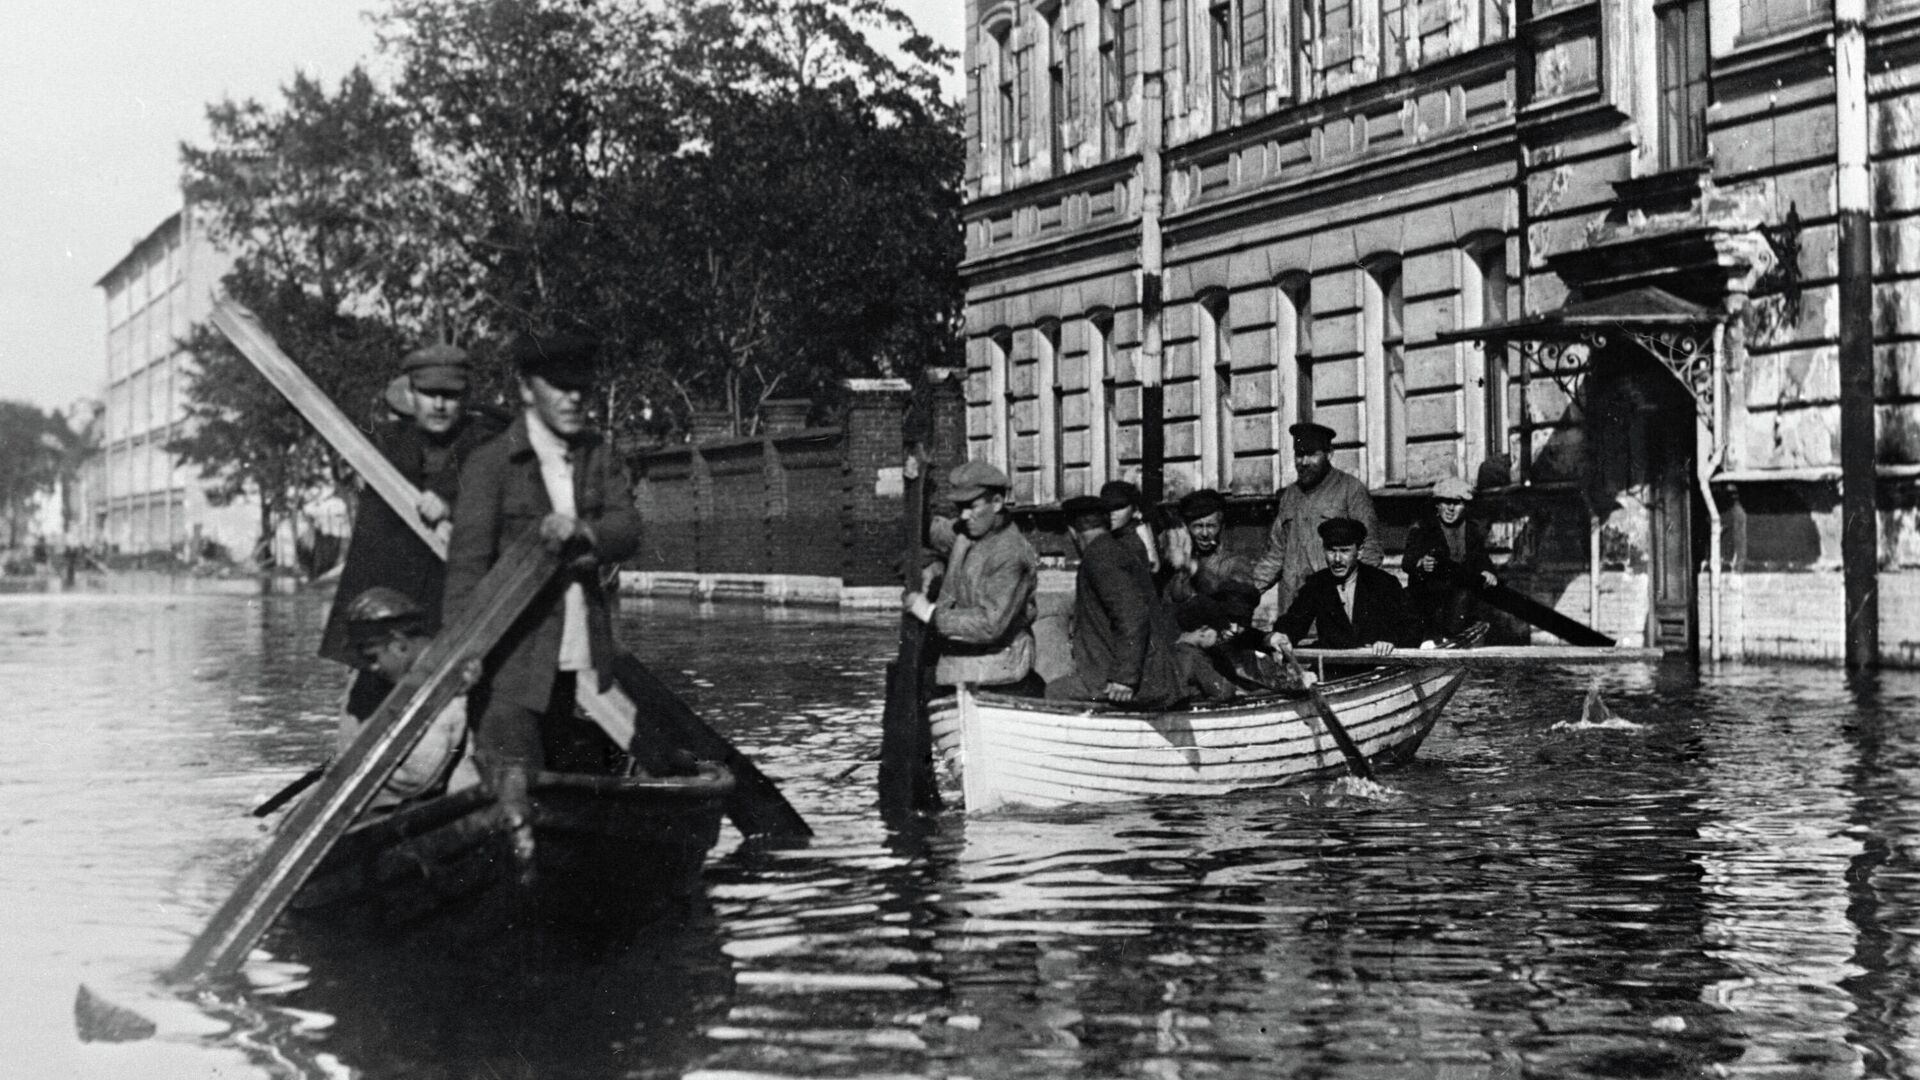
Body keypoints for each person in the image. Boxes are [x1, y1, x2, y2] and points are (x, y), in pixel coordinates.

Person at [443, 333, 641, 809]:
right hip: (510, 665)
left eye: (582, 387)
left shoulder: (598, 455)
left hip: (581, 664)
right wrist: (460, 652)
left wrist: (584, 531)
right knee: (514, 793)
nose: (574, 397)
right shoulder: (491, 464)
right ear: (527, 389)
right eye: (559, 385)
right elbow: (466, 568)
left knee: (571, 798)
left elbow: (627, 528)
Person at [318, 343, 505, 718]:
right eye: (429, 394)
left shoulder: (486, 444)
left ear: (465, 398)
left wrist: (451, 499)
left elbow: (498, 488)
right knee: (365, 704)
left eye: (450, 396)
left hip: (446, 612)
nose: (439, 405)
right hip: (384, 612)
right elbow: (319, 412)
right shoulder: (388, 443)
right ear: (411, 395)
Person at [336, 586, 482, 812]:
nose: (371, 667)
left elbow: (418, 775)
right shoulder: (365, 682)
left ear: (400, 644)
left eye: (372, 657)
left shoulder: (456, 679)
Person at [903, 460, 1042, 695]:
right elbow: (923, 530)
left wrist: (929, 613)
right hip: (958, 672)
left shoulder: (1011, 553)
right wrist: (916, 485)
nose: (964, 515)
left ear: (997, 503)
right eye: (960, 507)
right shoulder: (967, 532)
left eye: (972, 506)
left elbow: (990, 624)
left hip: (1000, 677)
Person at [1046, 494, 1183, 708]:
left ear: (1072, 531)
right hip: (1146, 673)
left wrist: (1124, 678)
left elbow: (1132, 615)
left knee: (1055, 692)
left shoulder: (1100, 557)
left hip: (1137, 682)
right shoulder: (1114, 550)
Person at [1245, 422, 1382, 615]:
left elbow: (1370, 551)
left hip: (1335, 611)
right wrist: (1245, 595)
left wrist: (1356, 604)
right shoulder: (1290, 496)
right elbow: (1275, 556)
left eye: (1312, 454)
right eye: (1299, 454)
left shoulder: (1351, 490)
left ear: (1329, 454)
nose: (1304, 462)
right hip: (1293, 609)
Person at [1270, 517, 1421, 656]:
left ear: (1360, 551)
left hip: (1375, 666)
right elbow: (1295, 620)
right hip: (1335, 668)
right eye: (1331, 550)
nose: (1337, 559)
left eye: (1344, 551)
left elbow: (1411, 626)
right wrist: (1283, 635)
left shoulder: (1382, 582)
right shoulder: (1317, 584)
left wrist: (1389, 641)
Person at [1403, 475, 1498, 641]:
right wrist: (1421, 563)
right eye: (1446, 502)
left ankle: (1455, 638)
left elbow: (1482, 559)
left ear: (1465, 506)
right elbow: (1407, 562)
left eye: (1457, 503)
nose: (1450, 509)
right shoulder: (1423, 530)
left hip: (1461, 600)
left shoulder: (1471, 531)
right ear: (1437, 505)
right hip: (1430, 599)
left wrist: (1488, 572)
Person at [1163, 488, 1252, 604]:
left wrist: (1194, 568)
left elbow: (1239, 598)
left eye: (1211, 526)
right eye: (1198, 526)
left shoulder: (1236, 563)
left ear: (1222, 527)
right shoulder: (1175, 561)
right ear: (1187, 528)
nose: (1205, 534)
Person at [1171, 595, 1239, 705]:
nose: (1219, 637)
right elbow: (1223, 691)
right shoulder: (1195, 657)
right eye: (1218, 631)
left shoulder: (1172, 650)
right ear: (1204, 630)